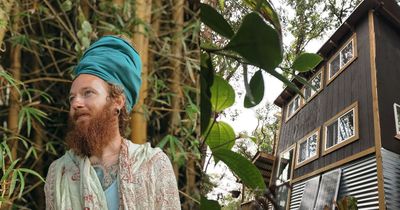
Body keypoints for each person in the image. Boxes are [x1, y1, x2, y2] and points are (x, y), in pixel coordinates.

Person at [44, 35, 181, 210]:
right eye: (72, 97)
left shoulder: (153, 165)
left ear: (117, 102)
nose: (76, 103)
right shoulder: (59, 173)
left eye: (88, 93)